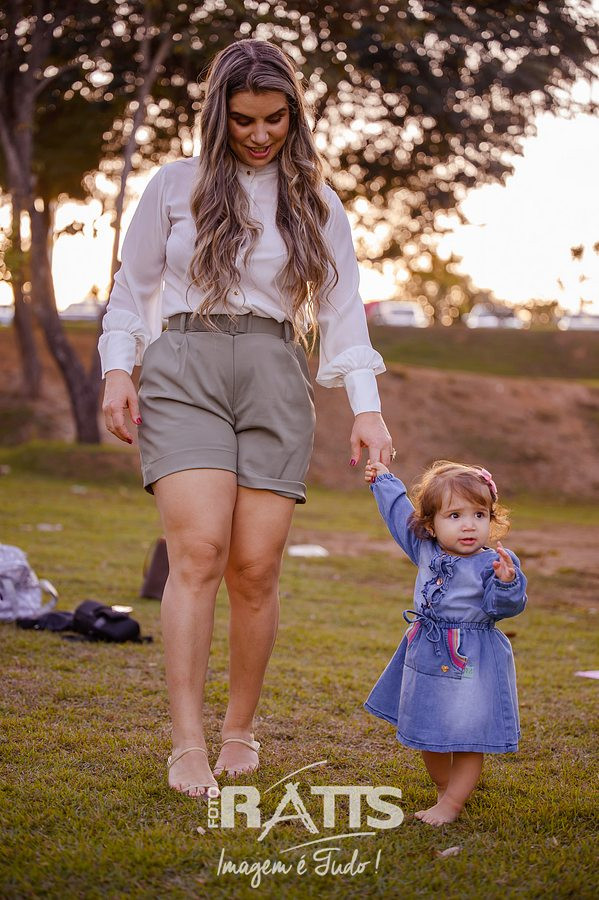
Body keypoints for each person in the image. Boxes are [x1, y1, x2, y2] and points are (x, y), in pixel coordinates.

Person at [98, 38, 392, 798]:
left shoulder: (317, 202)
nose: (260, 135)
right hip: (184, 367)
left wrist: (367, 411)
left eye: (274, 119)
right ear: (215, 116)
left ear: (294, 115)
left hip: (274, 375)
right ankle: (187, 742)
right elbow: (132, 288)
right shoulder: (175, 185)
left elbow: (342, 312)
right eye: (243, 120)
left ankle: (239, 729)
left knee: (255, 569)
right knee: (198, 551)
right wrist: (118, 369)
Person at [363, 459, 527, 825]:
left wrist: (506, 583)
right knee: (427, 729)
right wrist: (383, 479)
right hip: (427, 652)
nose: (469, 525)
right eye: (455, 516)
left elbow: (503, 608)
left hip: (472, 661)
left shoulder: (494, 563)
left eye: (479, 515)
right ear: (430, 524)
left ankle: (452, 804)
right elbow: (398, 513)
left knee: (469, 735)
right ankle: (445, 789)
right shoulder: (425, 549)